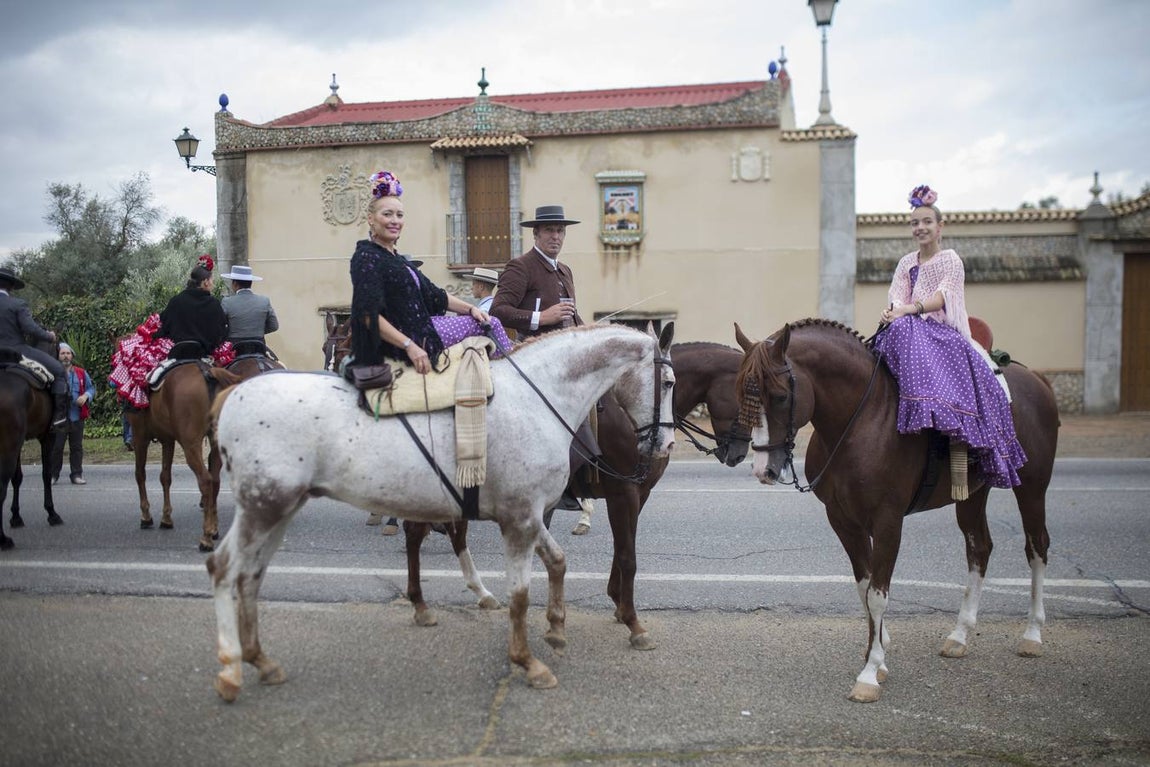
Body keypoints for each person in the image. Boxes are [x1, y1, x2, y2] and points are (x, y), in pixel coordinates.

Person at [349, 170, 513, 535]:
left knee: (486, 321)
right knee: (493, 328)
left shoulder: (398, 258)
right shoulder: (368, 259)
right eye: (387, 214)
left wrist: (471, 308)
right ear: (371, 219)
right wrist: (408, 345)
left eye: (400, 215)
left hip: (427, 328)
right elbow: (366, 315)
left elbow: (436, 296)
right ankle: (512, 385)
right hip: (403, 341)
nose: (395, 221)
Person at [874, 185, 1027, 500]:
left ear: (939, 227)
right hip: (907, 327)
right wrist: (893, 311)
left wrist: (909, 310)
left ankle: (956, 436)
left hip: (941, 329)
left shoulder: (950, 260)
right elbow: (896, 295)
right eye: (915, 223)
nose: (920, 228)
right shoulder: (905, 263)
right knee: (888, 337)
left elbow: (943, 296)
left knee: (911, 334)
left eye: (927, 222)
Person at [490, 205, 596, 534]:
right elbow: (499, 311)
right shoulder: (520, 267)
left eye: (560, 231)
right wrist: (542, 318)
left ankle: (569, 488)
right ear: (535, 234)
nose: (556, 236)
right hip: (535, 363)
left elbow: (569, 316)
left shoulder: (564, 270)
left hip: (567, 361)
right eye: (549, 230)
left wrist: (585, 330)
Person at [0, 266, 68, 429]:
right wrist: (50, 336)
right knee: (59, 371)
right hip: (16, 350)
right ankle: (59, 418)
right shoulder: (17, 304)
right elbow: (30, 328)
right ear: (10, 286)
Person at [157, 255, 228, 360]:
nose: (213, 284)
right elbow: (221, 333)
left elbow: (164, 327)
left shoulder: (176, 301)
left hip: (177, 355)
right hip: (204, 356)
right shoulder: (214, 304)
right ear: (205, 282)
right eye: (212, 280)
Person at [50, 342, 95, 485]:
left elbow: (91, 388)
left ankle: (76, 474)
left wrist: (86, 396)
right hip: (59, 418)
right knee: (57, 447)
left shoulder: (81, 373)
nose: (65, 356)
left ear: (72, 356)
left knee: (76, 448)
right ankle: (53, 475)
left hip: (76, 416)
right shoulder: (53, 373)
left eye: (68, 353)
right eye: (62, 353)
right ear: (58, 356)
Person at [220, 264, 279, 354]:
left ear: (235, 284)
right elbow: (274, 326)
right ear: (250, 283)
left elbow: (220, 326)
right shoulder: (264, 301)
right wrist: (257, 330)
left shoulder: (227, 302)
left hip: (235, 348)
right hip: (259, 346)